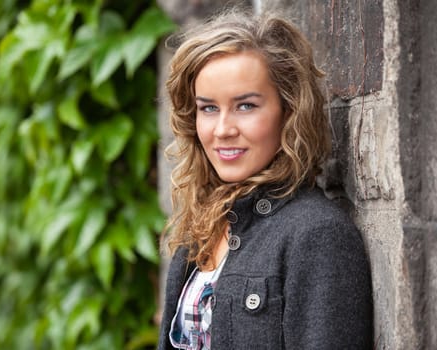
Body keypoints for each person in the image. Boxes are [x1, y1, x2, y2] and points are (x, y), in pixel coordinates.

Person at [158, 9, 373, 350]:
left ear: (289, 110)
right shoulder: (202, 225)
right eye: (208, 108)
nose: (223, 130)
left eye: (245, 106)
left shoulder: (317, 235)